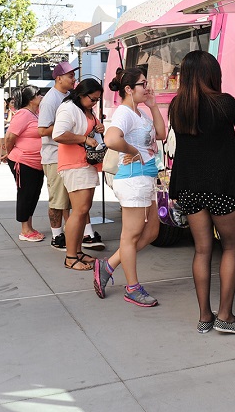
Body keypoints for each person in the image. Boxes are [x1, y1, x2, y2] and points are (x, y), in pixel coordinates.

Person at [168, 50, 235, 334]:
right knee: (231, 247)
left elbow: (180, 152)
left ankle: (205, 316)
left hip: (191, 188)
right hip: (220, 188)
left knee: (202, 250)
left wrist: (175, 188)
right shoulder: (223, 103)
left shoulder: (178, 105)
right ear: (211, 74)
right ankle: (225, 317)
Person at [96, 68, 166, 306]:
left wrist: (153, 105)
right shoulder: (124, 112)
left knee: (152, 232)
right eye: (143, 84)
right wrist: (133, 151)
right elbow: (111, 139)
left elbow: (160, 133)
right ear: (128, 89)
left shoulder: (140, 113)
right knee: (131, 236)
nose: (147, 87)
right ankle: (132, 288)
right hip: (133, 180)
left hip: (147, 178)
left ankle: (108, 265)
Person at [38, 62, 104, 251]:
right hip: (57, 157)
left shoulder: (74, 101)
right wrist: (78, 134)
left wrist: (95, 128)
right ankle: (60, 238)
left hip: (80, 160)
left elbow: (87, 124)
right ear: (58, 78)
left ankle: (83, 237)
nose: (74, 79)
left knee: (80, 207)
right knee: (61, 202)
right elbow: (45, 130)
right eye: (70, 76)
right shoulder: (54, 101)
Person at [52, 78, 105, 271]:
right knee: (80, 211)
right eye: (93, 99)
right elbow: (58, 134)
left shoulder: (85, 109)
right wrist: (84, 139)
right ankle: (71, 257)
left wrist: (99, 128)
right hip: (74, 165)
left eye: (98, 100)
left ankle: (77, 251)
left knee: (83, 210)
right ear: (82, 95)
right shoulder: (68, 108)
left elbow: (89, 129)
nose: (95, 103)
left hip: (84, 163)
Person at [1, 86, 46, 242]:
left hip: (37, 162)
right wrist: (10, 152)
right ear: (31, 99)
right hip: (23, 161)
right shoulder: (23, 114)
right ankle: (24, 230)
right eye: (38, 94)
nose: (41, 96)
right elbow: (9, 137)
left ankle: (30, 226)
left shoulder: (37, 114)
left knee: (34, 194)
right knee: (25, 194)